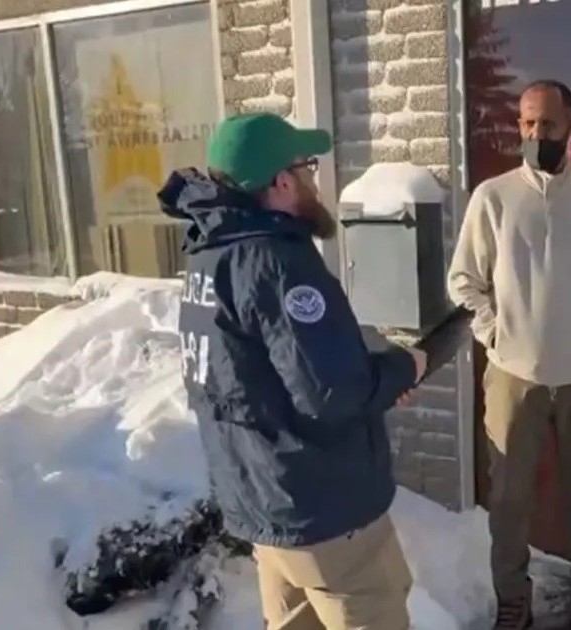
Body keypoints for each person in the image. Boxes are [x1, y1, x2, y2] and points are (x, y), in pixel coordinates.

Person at [161, 112, 426, 630]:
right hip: (324, 511)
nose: (313, 179)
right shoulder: (278, 263)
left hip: (265, 501)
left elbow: (262, 376)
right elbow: (332, 392)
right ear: (281, 182)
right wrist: (404, 368)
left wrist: (370, 380)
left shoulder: (210, 255)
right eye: (307, 167)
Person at [447, 79, 571, 630]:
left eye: (547, 124)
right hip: (513, 375)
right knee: (509, 498)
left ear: (570, 128)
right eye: (527, 123)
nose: (536, 133)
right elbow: (463, 280)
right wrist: (495, 334)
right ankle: (513, 598)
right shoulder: (493, 198)